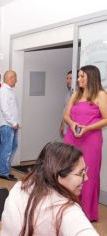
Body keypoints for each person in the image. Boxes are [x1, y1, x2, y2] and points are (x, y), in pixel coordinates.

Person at [1, 142, 99, 236]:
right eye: (80, 173)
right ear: (58, 176)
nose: (86, 178)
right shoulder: (66, 209)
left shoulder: (19, 187)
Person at [64, 65, 107, 222]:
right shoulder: (76, 94)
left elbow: (106, 119)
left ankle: (86, 213)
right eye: (78, 76)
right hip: (71, 137)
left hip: (90, 140)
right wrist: (73, 124)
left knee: (87, 175)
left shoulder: (101, 95)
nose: (78, 79)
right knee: (68, 172)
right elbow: (66, 115)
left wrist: (87, 128)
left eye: (82, 76)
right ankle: (67, 210)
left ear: (91, 77)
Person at [0, 70, 19, 181]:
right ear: (10, 78)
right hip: (7, 125)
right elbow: (5, 109)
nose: (16, 80)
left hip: (10, 124)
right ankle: (3, 172)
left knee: (13, 146)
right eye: (15, 78)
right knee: (7, 149)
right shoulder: (4, 91)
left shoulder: (9, 90)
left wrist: (15, 122)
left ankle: (4, 168)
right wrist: (13, 123)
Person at [59, 70, 74, 137]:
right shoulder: (67, 94)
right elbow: (65, 110)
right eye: (67, 78)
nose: (68, 80)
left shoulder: (79, 95)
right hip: (66, 128)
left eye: (71, 78)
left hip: (73, 129)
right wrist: (62, 125)